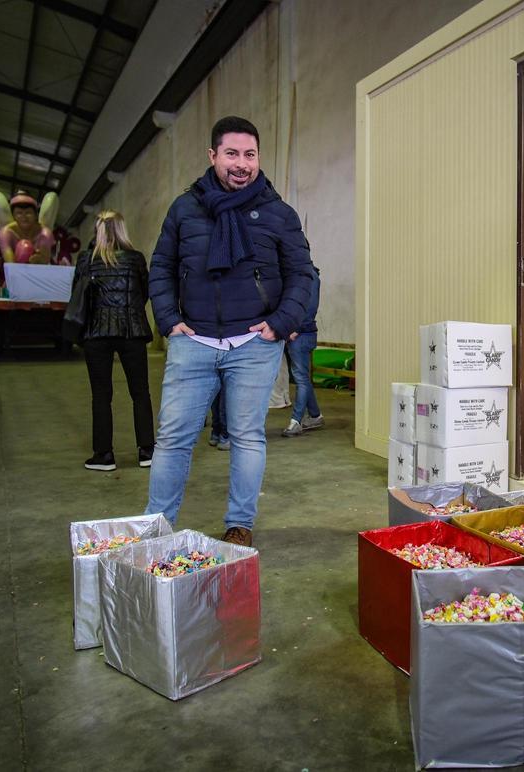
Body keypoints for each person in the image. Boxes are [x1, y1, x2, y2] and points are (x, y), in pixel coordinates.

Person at [146, 115, 314, 547]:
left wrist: (279, 325)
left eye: (250, 154)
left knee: (247, 436)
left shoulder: (279, 213)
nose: (242, 163)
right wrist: (168, 322)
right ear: (213, 156)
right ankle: (156, 527)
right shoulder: (185, 209)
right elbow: (161, 267)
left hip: (253, 345)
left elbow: (302, 274)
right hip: (192, 341)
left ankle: (240, 524)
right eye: (232, 154)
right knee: (172, 438)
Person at [75, 211, 155, 472]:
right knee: (140, 392)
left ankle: (104, 455)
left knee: (101, 395)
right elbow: (144, 293)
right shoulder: (135, 259)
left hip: (97, 333)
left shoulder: (86, 260)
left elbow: (79, 298)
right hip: (131, 330)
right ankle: (146, 451)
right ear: (122, 229)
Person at [282, 265, 323, 437]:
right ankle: (315, 416)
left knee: (300, 378)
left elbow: (310, 306)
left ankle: (296, 421)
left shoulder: (310, 276)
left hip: (301, 334)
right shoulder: (296, 274)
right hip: (294, 333)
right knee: (302, 377)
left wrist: (296, 329)